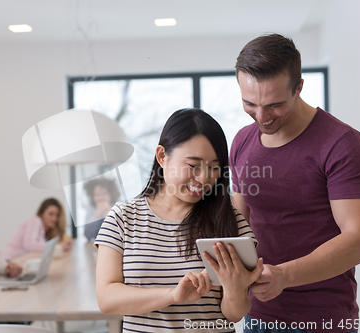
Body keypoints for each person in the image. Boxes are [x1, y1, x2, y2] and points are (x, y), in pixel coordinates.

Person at [230, 34, 360, 333]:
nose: (261, 116)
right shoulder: (242, 141)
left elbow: (358, 241)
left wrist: (284, 276)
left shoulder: (343, 144)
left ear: (298, 87)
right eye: (250, 103)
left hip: (322, 319)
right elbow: (237, 224)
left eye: (274, 105)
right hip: (257, 316)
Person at [95, 108, 264, 333]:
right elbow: (107, 299)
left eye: (214, 167)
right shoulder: (122, 218)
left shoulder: (229, 219)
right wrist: (173, 295)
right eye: (193, 165)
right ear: (162, 156)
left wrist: (235, 290)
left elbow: (234, 314)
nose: (204, 178)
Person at [0, 198, 72, 261]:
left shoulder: (45, 232)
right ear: (41, 213)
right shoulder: (35, 220)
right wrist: (56, 246)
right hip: (9, 262)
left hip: (20, 262)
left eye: (57, 215)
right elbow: (29, 245)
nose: (54, 218)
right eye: (51, 214)